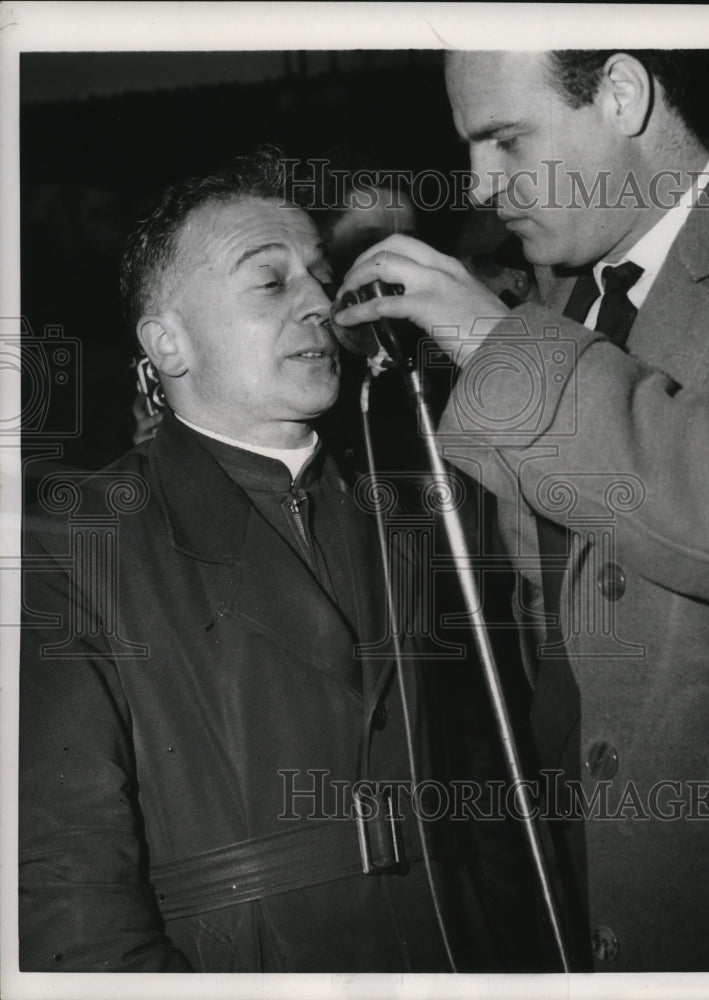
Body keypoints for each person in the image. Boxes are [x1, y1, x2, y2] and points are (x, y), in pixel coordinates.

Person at [19, 149, 530, 973]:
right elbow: (65, 891)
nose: (320, 303)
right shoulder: (71, 549)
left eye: (317, 276)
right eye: (270, 282)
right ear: (169, 344)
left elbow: (484, 788)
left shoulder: (407, 511)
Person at [333, 49, 709, 972]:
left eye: (507, 140)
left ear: (623, 93)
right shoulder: (567, 296)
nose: (481, 185)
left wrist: (492, 337)